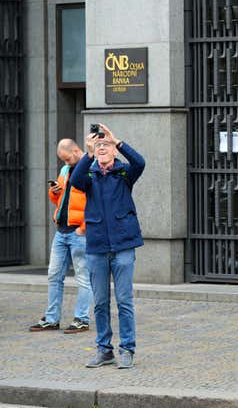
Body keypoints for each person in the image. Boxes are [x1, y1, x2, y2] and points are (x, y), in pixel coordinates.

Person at [69, 123, 145, 368]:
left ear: (113, 151)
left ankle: (127, 349)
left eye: (106, 146)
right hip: (97, 246)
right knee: (100, 302)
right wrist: (88, 152)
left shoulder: (124, 174)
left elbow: (140, 163)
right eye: (98, 146)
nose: (102, 148)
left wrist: (117, 140)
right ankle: (104, 350)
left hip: (123, 245)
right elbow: (75, 181)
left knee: (124, 300)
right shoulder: (88, 175)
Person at [29, 139, 92, 334]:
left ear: (75, 150)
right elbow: (61, 199)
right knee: (54, 275)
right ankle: (51, 319)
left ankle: (81, 319)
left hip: (79, 232)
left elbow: (97, 201)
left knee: (82, 277)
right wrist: (54, 191)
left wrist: (84, 227)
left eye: (67, 158)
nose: (65, 163)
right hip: (62, 230)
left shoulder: (91, 167)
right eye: (62, 160)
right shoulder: (65, 170)